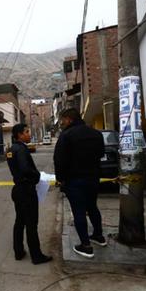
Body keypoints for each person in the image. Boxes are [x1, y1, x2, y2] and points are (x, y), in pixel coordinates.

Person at [53, 108, 106, 259]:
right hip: (93, 179)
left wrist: (60, 179)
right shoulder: (95, 133)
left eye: (62, 120)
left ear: (69, 119)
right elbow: (101, 153)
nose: (61, 123)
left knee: (78, 212)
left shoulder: (66, 135)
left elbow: (59, 160)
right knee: (92, 207)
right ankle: (98, 236)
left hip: (74, 180)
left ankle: (86, 246)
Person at [7, 124, 52, 265]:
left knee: (19, 222)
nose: (29, 135)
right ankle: (36, 256)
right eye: (27, 132)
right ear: (19, 135)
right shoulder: (20, 149)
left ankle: (18, 252)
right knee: (31, 224)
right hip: (26, 191)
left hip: (18, 190)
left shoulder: (10, 149)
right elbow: (26, 169)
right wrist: (37, 176)